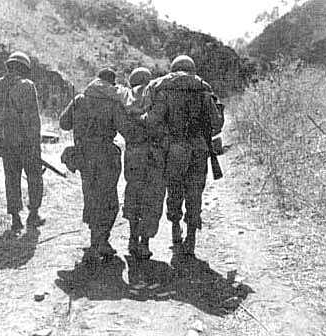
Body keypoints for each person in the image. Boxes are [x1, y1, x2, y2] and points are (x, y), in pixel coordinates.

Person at [142, 55, 224, 255]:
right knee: (195, 192)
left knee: (175, 188)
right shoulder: (204, 90)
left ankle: (175, 228)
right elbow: (217, 123)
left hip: (175, 149)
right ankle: (192, 238)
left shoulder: (165, 89)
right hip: (198, 148)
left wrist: (163, 136)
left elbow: (152, 121)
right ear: (192, 69)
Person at [59, 68, 125, 258]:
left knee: (91, 194)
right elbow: (126, 129)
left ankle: (95, 239)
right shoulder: (113, 101)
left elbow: (64, 124)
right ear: (111, 84)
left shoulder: (80, 99)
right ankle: (101, 240)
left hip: (84, 155)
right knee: (109, 198)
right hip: (105, 155)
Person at [0, 51, 45, 234]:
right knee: (34, 177)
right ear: (23, 68)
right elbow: (32, 119)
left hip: (5, 143)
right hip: (26, 143)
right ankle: (33, 214)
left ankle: (15, 218)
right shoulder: (27, 86)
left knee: (11, 180)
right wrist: (35, 144)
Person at [116, 67, 166, 259]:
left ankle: (132, 238)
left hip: (133, 154)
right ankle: (144, 243)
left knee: (133, 192)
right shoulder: (156, 96)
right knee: (152, 197)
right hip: (154, 154)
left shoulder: (125, 99)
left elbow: (123, 128)